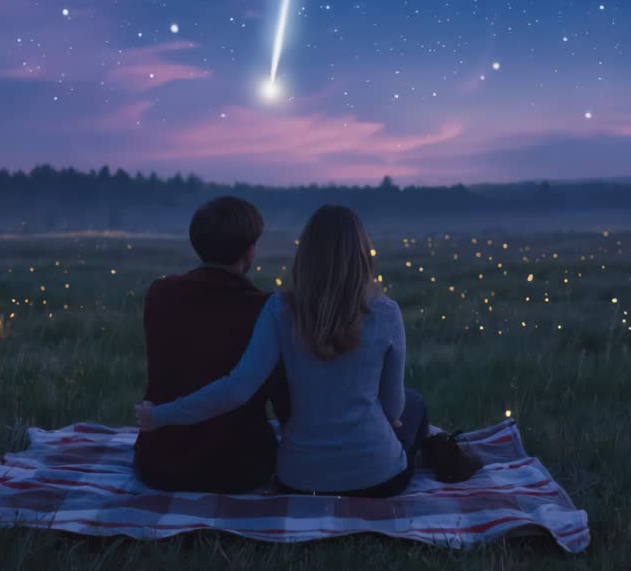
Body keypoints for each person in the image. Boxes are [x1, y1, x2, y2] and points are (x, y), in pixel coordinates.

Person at [137, 204, 479, 497]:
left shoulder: (278, 308)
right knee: (413, 403)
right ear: (361, 255)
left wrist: (160, 416)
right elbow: (393, 407)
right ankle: (443, 451)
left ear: (306, 254)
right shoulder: (386, 312)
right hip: (378, 479)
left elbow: (237, 388)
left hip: (298, 479)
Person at [133, 196, 291, 494]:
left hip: (160, 462)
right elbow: (280, 393)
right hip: (239, 469)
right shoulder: (266, 308)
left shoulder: (160, 293)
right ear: (249, 251)